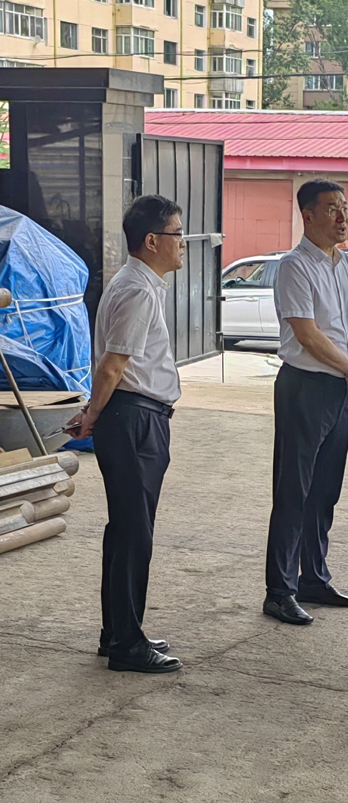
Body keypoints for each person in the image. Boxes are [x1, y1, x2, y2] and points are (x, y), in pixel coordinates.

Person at [67, 195, 185, 674]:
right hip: (135, 419)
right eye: (177, 234)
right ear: (152, 241)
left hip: (134, 416)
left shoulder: (136, 283)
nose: (184, 243)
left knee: (125, 532)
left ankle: (118, 631)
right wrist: (92, 413)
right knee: (134, 534)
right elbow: (113, 366)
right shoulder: (137, 290)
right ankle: (127, 646)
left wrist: (95, 412)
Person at [263, 179, 348, 625]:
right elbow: (307, 334)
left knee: (325, 491)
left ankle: (314, 577)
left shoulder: (346, 264)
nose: (343, 216)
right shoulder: (294, 267)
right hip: (304, 388)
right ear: (307, 216)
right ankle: (279, 590)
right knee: (294, 491)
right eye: (332, 209)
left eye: (345, 207)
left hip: (337, 389)